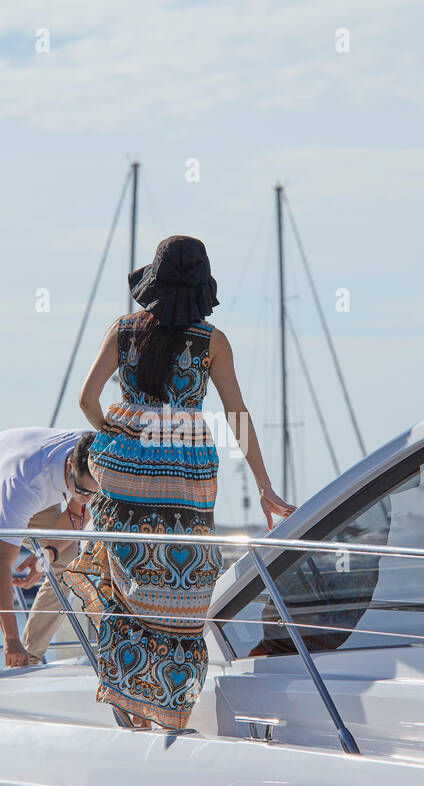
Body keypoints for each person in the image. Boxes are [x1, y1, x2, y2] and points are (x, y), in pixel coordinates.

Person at [63, 235, 295, 731]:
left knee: (123, 579)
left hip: (123, 464)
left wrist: (118, 432)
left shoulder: (122, 330)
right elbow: (237, 414)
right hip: (182, 473)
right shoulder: (211, 341)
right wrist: (264, 485)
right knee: (178, 585)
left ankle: (128, 703)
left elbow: (86, 399)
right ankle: (167, 708)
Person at [0, 427, 98, 677]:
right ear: (69, 466)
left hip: (37, 490)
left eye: (95, 494)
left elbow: (77, 514)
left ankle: (29, 657)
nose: (88, 499)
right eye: (83, 492)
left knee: (67, 559)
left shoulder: (92, 454)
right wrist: (10, 639)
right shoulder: (25, 483)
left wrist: (46, 556)